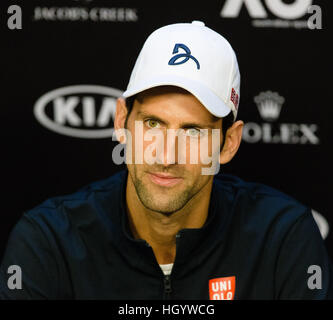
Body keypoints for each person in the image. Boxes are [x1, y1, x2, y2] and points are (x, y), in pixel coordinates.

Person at [0, 21, 332, 300]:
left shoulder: (282, 239)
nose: (166, 155)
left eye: (193, 131)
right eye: (153, 123)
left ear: (228, 143)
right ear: (121, 122)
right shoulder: (49, 243)